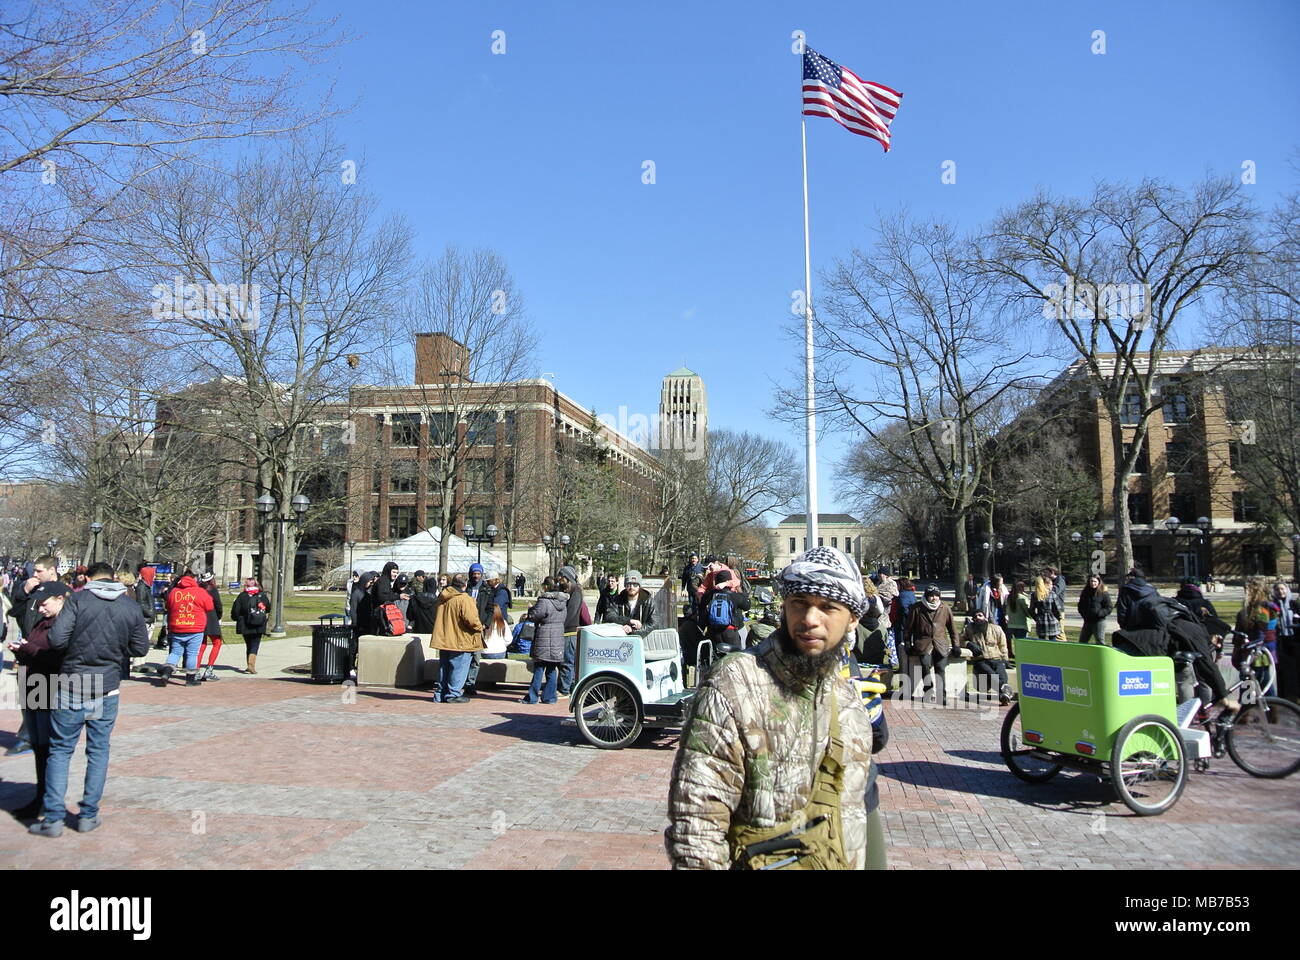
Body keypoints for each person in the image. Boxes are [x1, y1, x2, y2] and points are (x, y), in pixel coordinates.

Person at [665, 546, 877, 870]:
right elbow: (697, 828)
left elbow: (852, 824)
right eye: (799, 604)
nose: (810, 619)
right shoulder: (735, 685)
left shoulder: (849, 706)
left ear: (852, 619)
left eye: (828, 607)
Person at [29, 562, 150, 837]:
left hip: (74, 681)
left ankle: (53, 819)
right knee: (98, 751)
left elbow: (58, 639)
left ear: (89, 578)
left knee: (60, 751)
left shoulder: (78, 600)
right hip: (106, 686)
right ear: (113, 578)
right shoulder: (129, 606)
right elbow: (140, 647)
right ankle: (88, 815)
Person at [7, 590, 67, 819]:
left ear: (61, 599)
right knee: (39, 746)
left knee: (46, 748)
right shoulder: (44, 621)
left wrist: (28, 649)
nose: (40, 609)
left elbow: (55, 656)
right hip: (33, 685)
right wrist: (22, 650)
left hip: (48, 686)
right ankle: (41, 796)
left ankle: (46, 799)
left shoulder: (63, 624)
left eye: (44, 604)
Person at [429, 573, 483, 704]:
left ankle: (440, 693)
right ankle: (453, 693)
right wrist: (480, 627)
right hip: (461, 639)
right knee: (459, 667)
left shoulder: (443, 597)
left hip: (444, 638)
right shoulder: (464, 599)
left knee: (444, 667)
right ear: (465, 585)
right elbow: (471, 620)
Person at [901, 584, 957, 702]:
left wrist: (956, 645)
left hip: (940, 644)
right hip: (923, 643)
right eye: (931, 596)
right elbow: (908, 628)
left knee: (940, 668)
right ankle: (928, 690)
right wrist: (907, 643)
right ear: (926, 596)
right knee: (925, 666)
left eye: (936, 595)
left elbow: (953, 629)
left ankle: (942, 695)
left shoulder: (945, 608)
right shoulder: (916, 608)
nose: (934, 598)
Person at [159, 571, 214, 686]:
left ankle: (167, 672)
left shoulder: (174, 592)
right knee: (192, 653)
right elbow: (210, 606)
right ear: (193, 580)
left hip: (177, 626)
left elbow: (168, 606)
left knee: (175, 652)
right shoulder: (200, 592)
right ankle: (190, 679)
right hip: (195, 627)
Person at [522, 577, 567, 704]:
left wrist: (530, 609)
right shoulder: (563, 602)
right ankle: (549, 697)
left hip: (544, 638)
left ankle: (532, 696)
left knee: (539, 668)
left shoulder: (544, 601)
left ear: (546, 587)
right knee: (552, 669)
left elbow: (534, 616)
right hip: (557, 638)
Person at [958, 608, 1013, 704]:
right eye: (975, 617)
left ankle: (1003, 696)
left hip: (996, 658)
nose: (977, 618)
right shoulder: (969, 629)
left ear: (985, 617)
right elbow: (960, 640)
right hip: (980, 660)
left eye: (980, 615)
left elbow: (1003, 645)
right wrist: (969, 644)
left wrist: (1005, 660)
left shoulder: (996, 628)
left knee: (1003, 677)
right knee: (991, 675)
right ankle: (1005, 691)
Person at [698, 567, 750, 654]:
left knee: (713, 656)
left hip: (713, 631)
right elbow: (747, 606)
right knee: (735, 657)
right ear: (729, 581)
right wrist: (741, 593)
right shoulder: (734, 596)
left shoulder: (710, 594)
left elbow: (701, 606)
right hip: (730, 632)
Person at [231, 578, 271, 674]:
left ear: (246, 586)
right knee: (255, 645)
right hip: (259, 624)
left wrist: (236, 618)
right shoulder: (262, 595)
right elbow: (268, 608)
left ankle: (249, 664)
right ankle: (251, 665)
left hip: (245, 624)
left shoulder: (242, 596)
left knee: (248, 645)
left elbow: (236, 611)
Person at [601, 570, 657, 636]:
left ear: (639, 586)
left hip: (642, 640)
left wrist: (633, 631)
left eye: (635, 584)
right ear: (625, 585)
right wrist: (628, 621)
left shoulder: (649, 601)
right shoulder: (617, 600)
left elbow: (654, 624)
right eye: (628, 584)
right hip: (621, 639)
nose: (631, 587)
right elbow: (609, 616)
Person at [556, 565, 583, 697]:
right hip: (563, 630)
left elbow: (571, 612)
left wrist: (562, 624)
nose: (559, 579)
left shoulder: (576, 591)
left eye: (561, 577)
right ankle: (568, 685)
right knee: (564, 661)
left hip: (570, 631)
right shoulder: (564, 590)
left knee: (567, 660)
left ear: (567, 578)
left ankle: (564, 688)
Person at [1274, 581, 1299, 704]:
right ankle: (1283, 698)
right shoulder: (1273, 606)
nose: (1281, 592)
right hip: (1280, 642)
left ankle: (1295, 697)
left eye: (1283, 589)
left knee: (1295, 671)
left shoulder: (1294, 605)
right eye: (1278, 589)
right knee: (1282, 671)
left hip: (1294, 642)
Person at [196, 572, 224, 681]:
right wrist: (218, 616)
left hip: (200, 617)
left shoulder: (197, 589)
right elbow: (218, 605)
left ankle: (196, 670)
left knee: (201, 645)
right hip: (211, 618)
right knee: (217, 643)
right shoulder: (212, 589)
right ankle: (209, 669)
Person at [1076, 574, 1112, 645]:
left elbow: (1109, 607)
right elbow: (1080, 605)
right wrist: (1083, 614)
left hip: (1099, 622)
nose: (1093, 583)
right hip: (1087, 621)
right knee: (1082, 641)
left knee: (1100, 641)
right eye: (1091, 581)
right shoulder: (1085, 592)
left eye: (1095, 581)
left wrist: (1100, 613)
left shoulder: (1103, 593)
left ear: (1099, 582)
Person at [1029, 575, 1063, 641]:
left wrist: (1036, 618)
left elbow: (1031, 610)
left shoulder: (1035, 595)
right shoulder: (1052, 594)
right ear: (1046, 584)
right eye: (1051, 584)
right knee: (1053, 642)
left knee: (1042, 642)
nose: (1052, 586)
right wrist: (1058, 618)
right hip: (1052, 620)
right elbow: (1057, 609)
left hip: (1040, 620)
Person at [1004, 579, 1030, 658]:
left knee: (1015, 643)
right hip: (1021, 624)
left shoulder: (1008, 597)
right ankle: (1022, 658)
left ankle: (1014, 655)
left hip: (1011, 624)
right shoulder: (1022, 598)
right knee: (1022, 645)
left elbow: (1006, 610)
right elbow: (1027, 612)